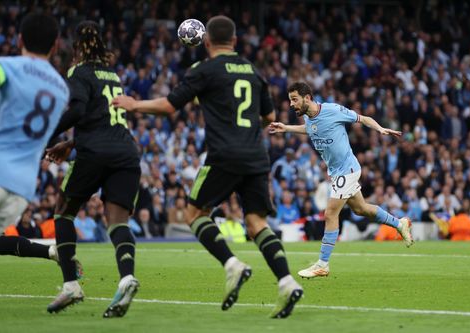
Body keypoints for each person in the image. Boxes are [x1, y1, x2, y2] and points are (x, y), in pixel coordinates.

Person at [113, 15, 303, 318]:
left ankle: (232, 264)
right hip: (256, 156)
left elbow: (169, 106)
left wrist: (135, 104)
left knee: (194, 214)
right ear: (236, 42)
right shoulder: (254, 72)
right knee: (256, 225)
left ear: (207, 42)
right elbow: (268, 118)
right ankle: (287, 281)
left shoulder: (204, 70)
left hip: (224, 156)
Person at [45, 21, 141, 318]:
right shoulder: (112, 75)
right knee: (117, 222)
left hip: (95, 153)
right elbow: (104, 121)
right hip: (126, 153)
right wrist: (71, 143)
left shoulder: (78, 71)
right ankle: (126, 277)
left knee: (63, 210)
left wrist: (49, 135)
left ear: (76, 48)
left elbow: (78, 110)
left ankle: (71, 284)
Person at [268, 82, 413, 279]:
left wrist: (380, 129)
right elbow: (310, 129)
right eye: (290, 100)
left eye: (294, 99)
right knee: (361, 209)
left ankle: (322, 264)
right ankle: (400, 224)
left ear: (307, 98)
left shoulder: (333, 110)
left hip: (348, 170)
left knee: (330, 214)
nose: (291, 104)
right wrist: (286, 128)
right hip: (337, 172)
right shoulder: (309, 118)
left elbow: (363, 118)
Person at [0, 14, 70, 305]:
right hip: (20, 191)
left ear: (19, 40)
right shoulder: (60, 88)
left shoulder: (6, 66)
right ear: (55, 46)